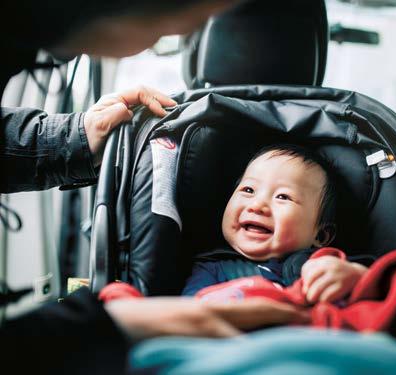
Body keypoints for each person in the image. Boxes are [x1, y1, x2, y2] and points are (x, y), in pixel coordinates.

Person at [1, 1, 308, 374]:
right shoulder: (208, 272)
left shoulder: (324, 264)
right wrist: (108, 322)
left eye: (282, 196)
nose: (185, 34)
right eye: (194, 15)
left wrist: (76, 138)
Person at [182, 144, 369, 304]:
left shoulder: (330, 262)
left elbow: (383, 288)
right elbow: (191, 318)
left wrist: (356, 276)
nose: (257, 205)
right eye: (248, 190)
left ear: (320, 235)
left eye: (283, 196)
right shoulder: (212, 271)